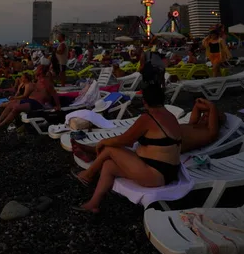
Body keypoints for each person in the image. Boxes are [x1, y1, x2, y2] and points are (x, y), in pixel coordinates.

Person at [72, 84, 181, 213]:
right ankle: (94, 204)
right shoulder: (170, 116)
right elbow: (128, 141)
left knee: (110, 149)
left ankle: (88, 174)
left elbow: (125, 140)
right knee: (108, 165)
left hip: (155, 174)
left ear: (144, 101)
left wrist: (103, 142)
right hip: (168, 172)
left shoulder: (148, 118)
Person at [0, 64, 61, 131]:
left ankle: (0, 125)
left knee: (16, 108)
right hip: (30, 100)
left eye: (37, 68)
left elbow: (54, 94)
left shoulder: (46, 82)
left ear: (41, 71)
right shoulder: (38, 80)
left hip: (38, 104)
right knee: (11, 104)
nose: (35, 69)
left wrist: (58, 105)